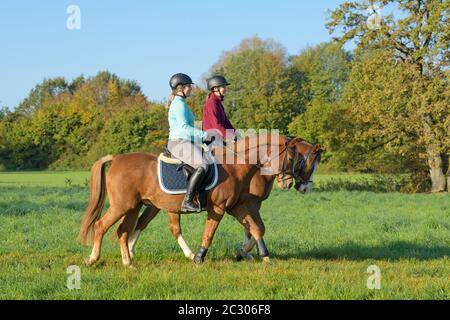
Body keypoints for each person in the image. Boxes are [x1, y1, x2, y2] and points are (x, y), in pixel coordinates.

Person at [166, 73, 213, 213]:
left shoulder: (182, 103)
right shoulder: (178, 105)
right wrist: (204, 135)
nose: (191, 89)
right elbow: (184, 128)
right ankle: (187, 201)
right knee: (203, 165)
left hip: (186, 141)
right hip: (179, 143)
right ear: (181, 88)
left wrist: (202, 140)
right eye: (189, 86)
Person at [203, 75, 239, 143]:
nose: (225, 88)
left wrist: (237, 134)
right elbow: (216, 125)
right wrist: (230, 136)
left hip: (218, 139)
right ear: (215, 88)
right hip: (211, 140)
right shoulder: (211, 103)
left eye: (225, 86)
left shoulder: (218, 103)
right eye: (223, 86)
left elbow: (226, 124)